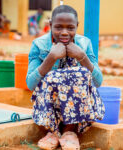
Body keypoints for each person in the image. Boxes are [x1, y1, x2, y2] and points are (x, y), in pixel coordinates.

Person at [26, 5, 105, 150]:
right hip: (50, 106)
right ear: (50, 25)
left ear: (77, 26)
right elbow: (30, 84)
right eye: (58, 27)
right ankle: (53, 132)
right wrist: (50, 58)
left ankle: (70, 131)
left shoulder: (84, 44)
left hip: (77, 107)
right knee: (52, 75)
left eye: (70, 28)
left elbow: (98, 81)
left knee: (80, 74)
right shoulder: (39, 45)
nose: (64, 32)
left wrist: (82, 57)